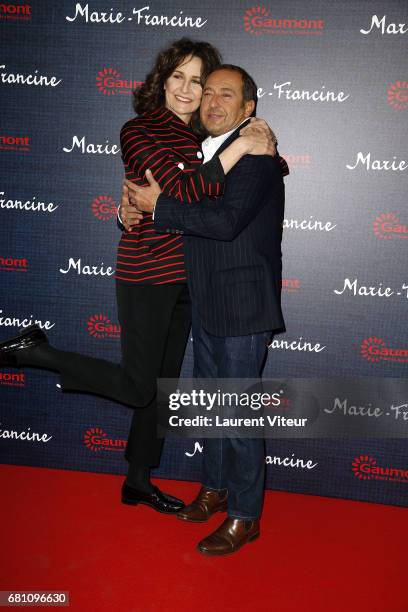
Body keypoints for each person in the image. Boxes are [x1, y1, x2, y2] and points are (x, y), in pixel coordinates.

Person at [0, 40, 283, 515]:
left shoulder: (208, 134)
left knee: (165, 386)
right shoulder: (139, 130)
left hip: (194, 279)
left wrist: (262, 145)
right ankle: (37, 351)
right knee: (139, 385)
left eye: (200, 80)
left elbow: (263, 170)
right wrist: (236, 154)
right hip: (149, 271)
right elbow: (182, 191)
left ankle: (137, 479)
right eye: (179, 77)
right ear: (162, 81)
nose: (190, 90)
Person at [122, 64, 286, 556]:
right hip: (207, 304)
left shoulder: (256, 156)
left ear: (248, 107)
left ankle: (245, 515)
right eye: (207, 92)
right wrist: (129, 207)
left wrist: (158, 206)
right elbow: (179, 195)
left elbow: (226, 220)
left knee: (237, 418)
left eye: (226, 94)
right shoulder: (201, 155)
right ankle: (214, 491)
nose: (211, 101)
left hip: (241, 307)